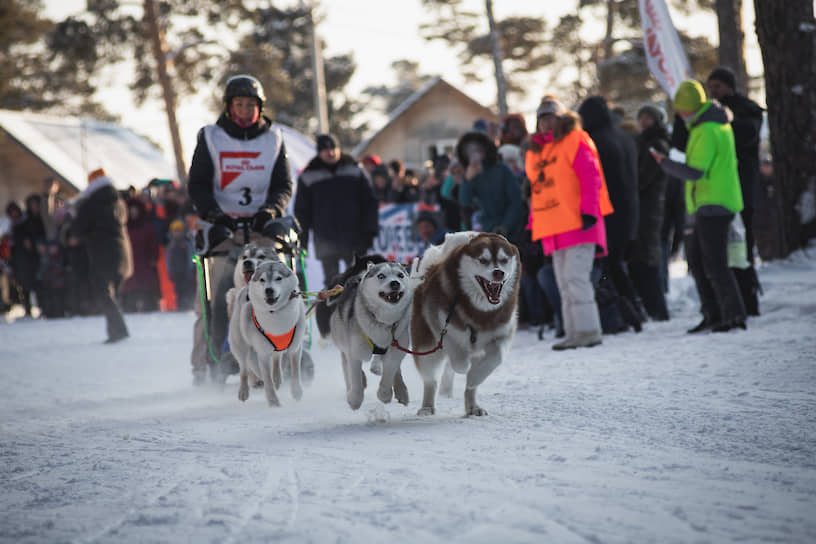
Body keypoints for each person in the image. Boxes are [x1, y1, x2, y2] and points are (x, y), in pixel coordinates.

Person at [187, 74, 293, 384]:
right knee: (214, 299)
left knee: (274, 293)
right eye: (239, 104)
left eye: (251, 105)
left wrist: (271, 210)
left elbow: (282, 185)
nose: (245, 111)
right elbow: (198, 184)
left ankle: (279, 358)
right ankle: (206, 364)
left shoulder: (273, 138)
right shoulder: (211, 137)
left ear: (259, 108)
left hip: (262, 228)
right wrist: (214, 214)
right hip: (222, 229)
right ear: (229, 107)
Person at [651, 79, 747, 333]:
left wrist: (664, 163)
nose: (680, 115)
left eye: (681, 109)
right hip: (704, 202)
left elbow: (695, 172)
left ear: (690, 107)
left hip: (714, 201)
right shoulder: (704, 127)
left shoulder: (707, 130)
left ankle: (733, 315)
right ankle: (715, 314)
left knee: (714, 263)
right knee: (699, 261)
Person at [526, 95, 614, 350]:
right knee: (564, 283)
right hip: (555, 227)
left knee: (576, 279)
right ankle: (574, 332)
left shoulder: (575, 140)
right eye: (541, 119)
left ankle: (589, 331)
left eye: (550, 118)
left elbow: (591, 176)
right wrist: (534, 225)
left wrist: (589, 211)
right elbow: (538, 191)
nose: (545, 124)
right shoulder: (538, 152)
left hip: (579, 223)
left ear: (561, 118)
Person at [578, 95, 644, 332]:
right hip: (631, 209)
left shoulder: (594, 141)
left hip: (609, 213)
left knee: (611, 267)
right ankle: (634, 308)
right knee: (618, 265)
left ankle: (627, 313)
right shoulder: (625, 138)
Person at [706, 66, 764, 316]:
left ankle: (748, 301)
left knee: (742, 248)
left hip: (742, 189)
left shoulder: (746, 109)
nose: (713, 91)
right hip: (721, 190)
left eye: (717, 86)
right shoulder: (711, 112)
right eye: (711, 86)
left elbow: (747, 134)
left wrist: (725, 122)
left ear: (729, 86)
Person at [294, 133, 378, 284]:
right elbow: (302, 212)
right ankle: (333, 307)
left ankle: (355, 307)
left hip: (354, 236)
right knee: (332, 282)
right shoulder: (308, 175)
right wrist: (302, 241)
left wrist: (370, 231)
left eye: (333, 148)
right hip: (325, 237)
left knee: (357, 278)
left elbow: (369, 202)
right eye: (325, 149)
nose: (331, 152)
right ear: (319, 152)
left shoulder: (353, 169)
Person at [70, 168, 132, 343]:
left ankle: (118, 331)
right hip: (122, 251)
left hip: (103, 253)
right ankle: (116, 331)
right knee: (113, 293)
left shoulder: (91, 203)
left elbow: (78, 228)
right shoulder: (118, 201)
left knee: (103, 292)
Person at [630, 104, 671, 321]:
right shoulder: (640, 142)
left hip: (651, 206)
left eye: (647, 117)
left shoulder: (656, 144)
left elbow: (644, 178)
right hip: (643, 205)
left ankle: (658, 308)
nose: (643, 121)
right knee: (642, 255)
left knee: (649, 255)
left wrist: (630, 187)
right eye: (641, 117)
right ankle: (651, 306)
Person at [457, 128, 524, 243]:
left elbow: (516, 201)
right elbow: (464, 201)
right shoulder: (471, 174)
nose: (474, 155)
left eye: (477, 150)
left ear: (485, 150)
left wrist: (506, 225)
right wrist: (467, 180)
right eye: (470, 151)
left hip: (511, 230)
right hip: (487, 230)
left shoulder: (502, 169)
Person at [120, 197, 161, 313]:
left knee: (146, 288)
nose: (133, 212)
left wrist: (153, 257)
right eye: (131, 210)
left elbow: (153, 244)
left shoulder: (146, 227)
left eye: (135, 210)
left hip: (144, 263)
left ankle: (150, 306)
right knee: (129, 289)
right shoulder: (124, 228)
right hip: (129, 263)